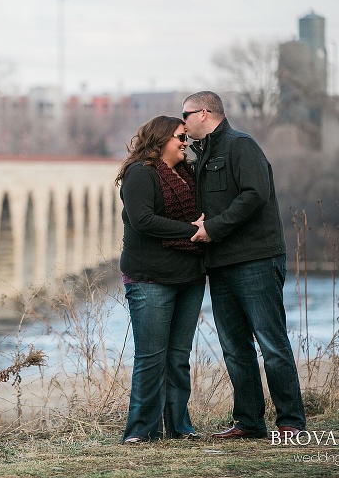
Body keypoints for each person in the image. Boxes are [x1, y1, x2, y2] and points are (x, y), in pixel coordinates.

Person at [183, 91, 306, 440]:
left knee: (271, 342)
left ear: (204, 113)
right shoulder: (202, 154)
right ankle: (249, 422)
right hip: (220, 263)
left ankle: (291, 423)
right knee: (235, 347)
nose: (183, 121)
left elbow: (255, 194)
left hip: (255, 260)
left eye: (186, 114)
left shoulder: (241, 145)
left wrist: (214, 228)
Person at [115, 115, 206, 444]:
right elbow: (143, 221)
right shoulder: (140, 174)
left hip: (190, 276)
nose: (185, 143)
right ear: (160, 139)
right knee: (151, 358)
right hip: (149, 278)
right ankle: (140, 432)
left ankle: (179, 428)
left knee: (178, 358)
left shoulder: (187, 175)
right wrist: (193, 230)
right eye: (180, 137)